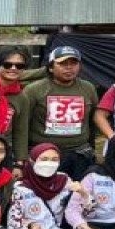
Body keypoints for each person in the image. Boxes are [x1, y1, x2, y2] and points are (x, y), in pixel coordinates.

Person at [17, 46, 99, 180]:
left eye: (73, 63)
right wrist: (21, 157)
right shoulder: (34, 90)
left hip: (80, 153)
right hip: (44, 154)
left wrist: (92, 148)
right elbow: (22, 126)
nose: (69, 68)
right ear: (50, 67)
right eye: (62, 64)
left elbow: (92, 121)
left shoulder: (88, 88)